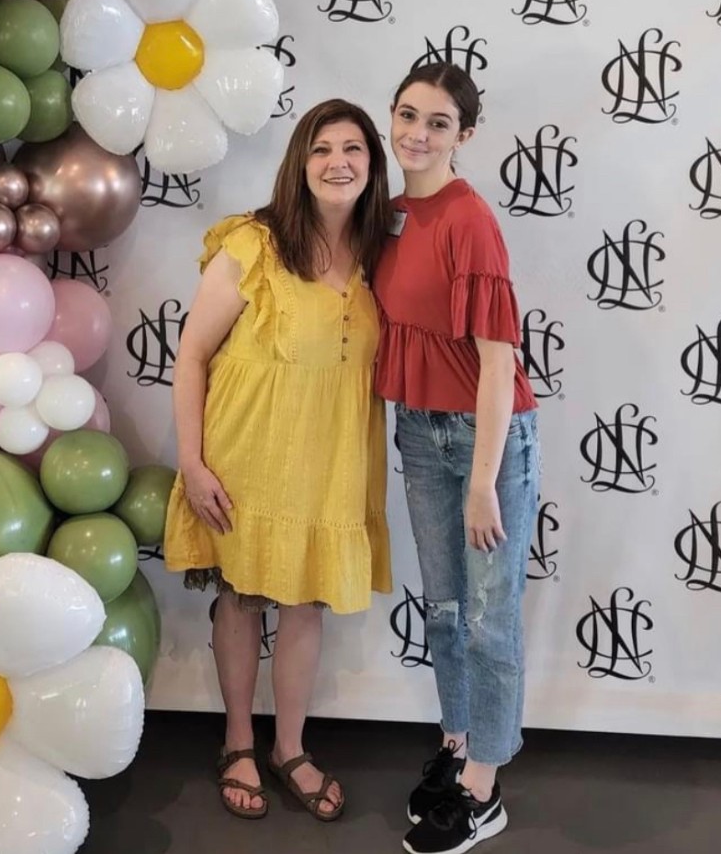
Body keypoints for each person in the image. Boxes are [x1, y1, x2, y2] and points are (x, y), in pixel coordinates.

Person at [163, 98, 393, 822]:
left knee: (305, 604)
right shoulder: (252, 243)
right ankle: (237, 741)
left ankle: (289, 747)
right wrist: (193, 463)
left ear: (372, 164)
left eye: (352, 149)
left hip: (332, 459)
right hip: (247, 454)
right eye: (320, 149)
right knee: (241, 597)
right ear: (299, 163)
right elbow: (192, 356)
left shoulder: (384, 253)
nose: (337, 162)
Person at [373, 63, 541, 854]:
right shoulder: (389, 213)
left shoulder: (468, 219)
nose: (417, 133)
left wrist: (482, 483)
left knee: (487, 619)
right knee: (443, 609)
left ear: (463, 135)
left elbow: (498, 363)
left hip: (484, 441)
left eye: (437, 122)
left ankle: (483, 790)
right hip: (417, 429)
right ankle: (457, 742)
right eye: (408, 115)